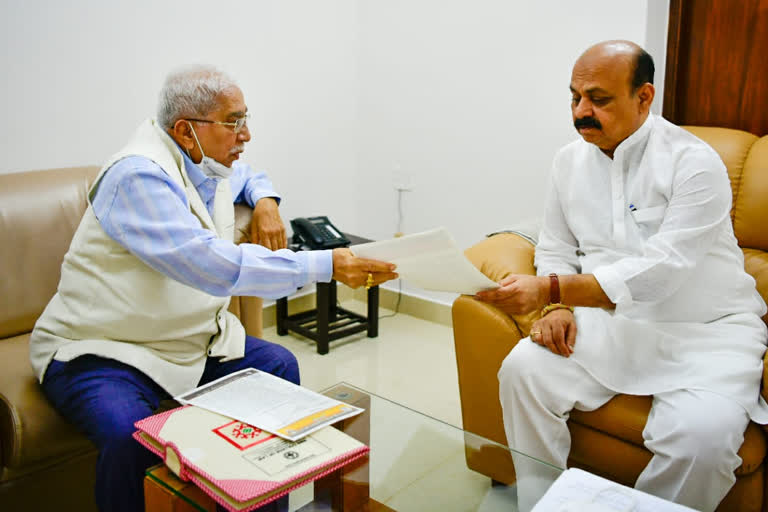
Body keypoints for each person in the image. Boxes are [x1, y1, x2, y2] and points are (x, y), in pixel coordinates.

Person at [29, 66, 397, 512]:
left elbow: (250, 176)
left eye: (246, 119)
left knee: (278, 364)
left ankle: (258, 502)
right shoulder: (136, 177)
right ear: (186, 130)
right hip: (106, 350)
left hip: (187, 344)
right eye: (233, 121)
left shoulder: (207, 164)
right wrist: (325, 264)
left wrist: (266, 202)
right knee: (129, 434)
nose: (246, 134)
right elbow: (207, 264)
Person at [476, 40, 768, 512]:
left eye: (598, 98)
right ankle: (544, 501)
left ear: (644, 97)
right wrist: (556, 307)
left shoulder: (694, 163)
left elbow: (663, 271)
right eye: (574, 97)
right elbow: (554, 245)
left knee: (704, 440)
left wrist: (551, 289)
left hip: (705, 332)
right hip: (609, 324)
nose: (581, 112)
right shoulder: (568, 161)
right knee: (523, 371)